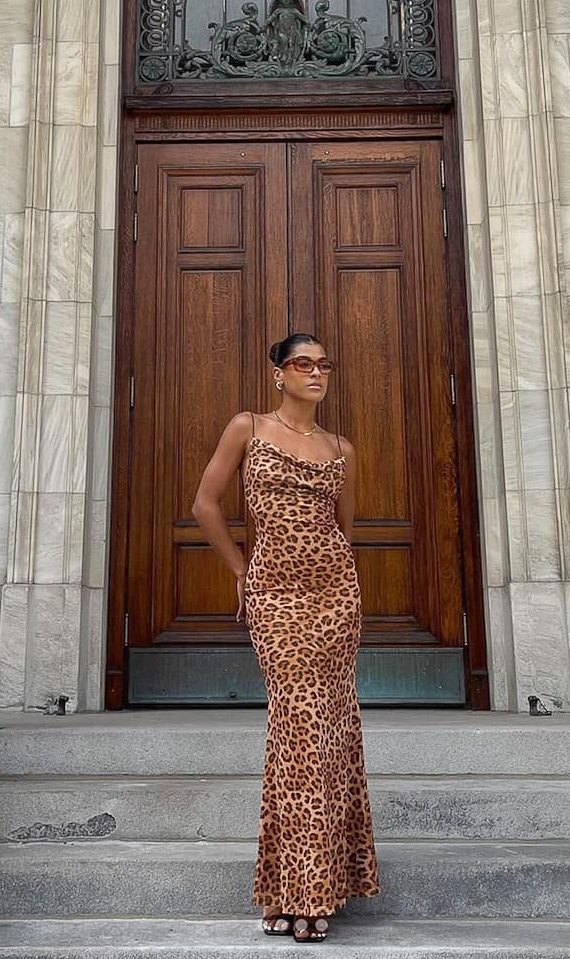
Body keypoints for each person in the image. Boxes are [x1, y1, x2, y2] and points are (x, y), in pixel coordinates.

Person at [191, 332, 381, 943]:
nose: (317, 373)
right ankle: (297, 885)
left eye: (325, 364)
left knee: (331, 728)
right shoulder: (246, 427)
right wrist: (243, 573)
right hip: (275, 594)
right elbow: (204, 505)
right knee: (297, 723)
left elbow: (344, 529)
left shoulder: (340, 447)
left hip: (334, 595)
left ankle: (309, 887)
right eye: (304, 363)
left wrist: (337, 575)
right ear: (278, 372)